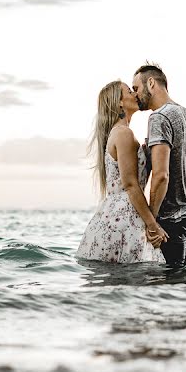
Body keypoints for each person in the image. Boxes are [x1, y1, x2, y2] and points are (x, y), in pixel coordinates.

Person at [76, 80, 167, 263]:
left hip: (118, 213)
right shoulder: (123, 134)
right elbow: (131, 185)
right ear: (119, 102)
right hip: (125, 216)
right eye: (129, 91)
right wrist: (152, 225)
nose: (135, 94)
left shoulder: (120, 133)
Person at [132, 63, 186, 267]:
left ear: (151, 83)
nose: (134, 95)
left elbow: (161, 175)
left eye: (136, 88)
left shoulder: (159, 117)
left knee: (168, 290)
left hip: (174, 219)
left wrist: (152, 221)